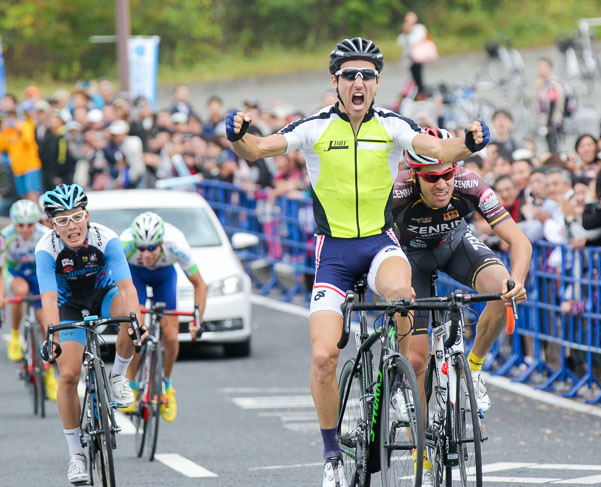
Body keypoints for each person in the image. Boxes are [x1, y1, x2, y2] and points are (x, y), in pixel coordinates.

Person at [225, 36, 490, 486]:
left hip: (378, 244)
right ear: (336, 82)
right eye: (350, 75)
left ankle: (402, 384)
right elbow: (258, 149)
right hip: (334, 253)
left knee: (403, 295)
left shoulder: (391, 125)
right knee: (324, 357)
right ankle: (331, 457)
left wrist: (468, 141)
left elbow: (438, 150)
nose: (359, 82)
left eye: (367, 75)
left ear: (377, 82)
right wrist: (237, 135)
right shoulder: (312, 128)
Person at [392, 130, 530, 469]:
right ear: (414, 175)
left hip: (455, 247)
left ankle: (474, 366)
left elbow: (519, 240)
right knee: (418, 361)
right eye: (433, 178)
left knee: (501, 289)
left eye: (448, 174)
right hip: (409, 260)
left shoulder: (470, 184)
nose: (442, 184)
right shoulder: (396, 194)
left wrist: (518, 281)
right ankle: (417, 433)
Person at [35, 184, 148, 485]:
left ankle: (119, 376)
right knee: (69, 375)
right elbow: (48, 298)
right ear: (52, 224)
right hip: (68, 304)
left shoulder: (106, 238)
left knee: (131, 317)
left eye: (77, 217)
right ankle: (76, 456)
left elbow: (127, 287)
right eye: (62, 220)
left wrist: (135, 322)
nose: (72, 226)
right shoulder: (46, 249)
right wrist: (51, 337)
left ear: (87, 215)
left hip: (104, 293)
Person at [118, 212, 207, 422]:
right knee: (135, 331)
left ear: (162, 243)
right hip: (135, 277)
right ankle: (130, 384)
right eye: (141, 248)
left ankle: (167, 385)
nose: (146, 253)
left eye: (152, 248)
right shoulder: (124, 245)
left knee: (170, 336)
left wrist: (197, 321)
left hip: (164, 277)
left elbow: (200, 284)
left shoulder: (176, 244)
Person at [0, 200, 57, 402]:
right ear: (14, 223)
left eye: (30, 225)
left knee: (44, 321)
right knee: (21, 290)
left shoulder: (45, 235)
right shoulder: (4, 237)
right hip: (15, 273)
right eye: (20, 225)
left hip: (37, 275)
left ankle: (49, 374)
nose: (25, 229)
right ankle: (15, 335)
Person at [397, 11, 432, 98]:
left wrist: (409, 31)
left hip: (418, 58)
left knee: (418, 76)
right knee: (413, 76)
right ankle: (417, 92)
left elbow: (414, 41)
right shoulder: (406, 29)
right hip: (410, 59)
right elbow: (400, 42)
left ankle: (421, 93)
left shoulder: (419, 28)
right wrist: (406, 32)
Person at [536, 57, 564, 152]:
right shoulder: (545, 83)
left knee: (554, 148)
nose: (539, 69)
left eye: (542, 66)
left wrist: (548, 125)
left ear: (550, 68)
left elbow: (553, 103)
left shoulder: (551, 84)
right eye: (539, 66)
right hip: (550, 122)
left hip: (553, 122)